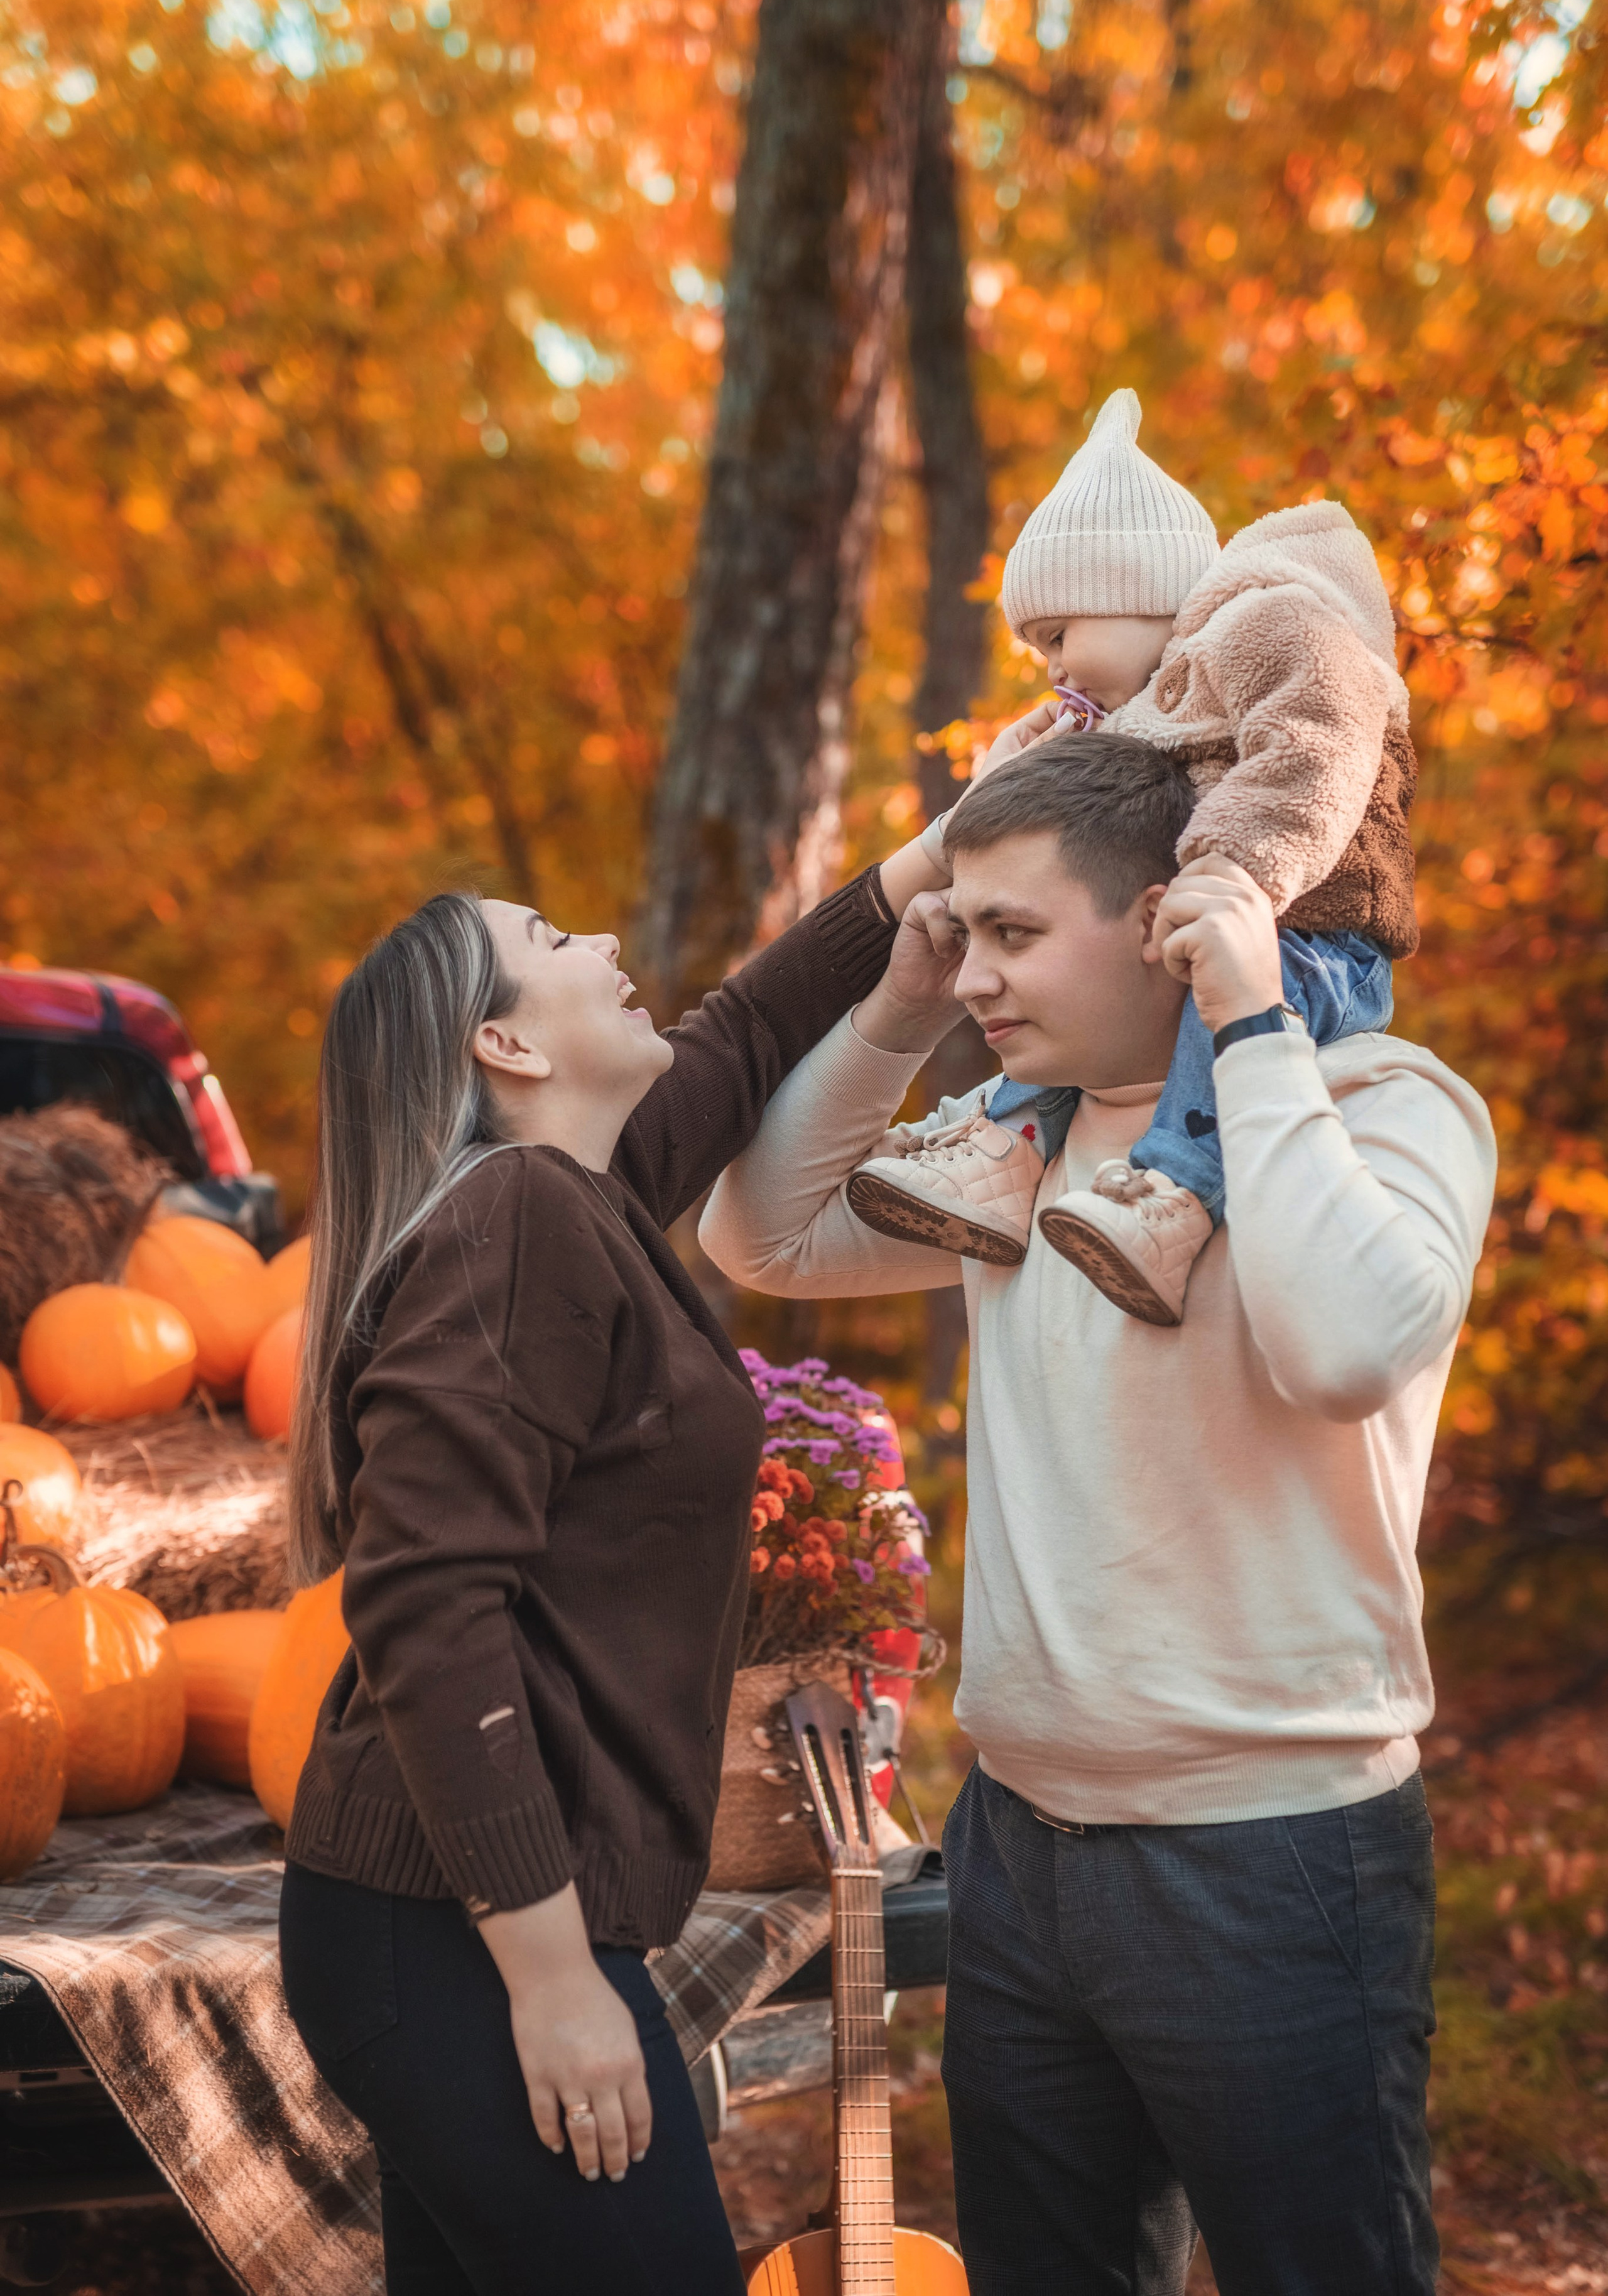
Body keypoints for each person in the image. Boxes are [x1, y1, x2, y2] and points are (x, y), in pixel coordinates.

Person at [700, 730, 1497, 2296]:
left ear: (1161, 920)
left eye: (1010, 932)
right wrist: (899, 1002)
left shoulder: (1378, 1102)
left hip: (1264, 1861)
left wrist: (1250, 1019)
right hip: (1022, 1854)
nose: (976, 970)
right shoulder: (1014, 1144)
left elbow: (1345, 1350)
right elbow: (762, 1233)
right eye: (964, 930)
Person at [274, 822, 951, 2296]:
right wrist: (548, 1975)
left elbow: (748, 1028)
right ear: (506, 1042)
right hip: (457, 1939)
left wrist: (926, 865)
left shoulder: (571, 1200)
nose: (599, 946)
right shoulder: (515, 1221)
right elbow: (426, 1600)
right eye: (552, 940)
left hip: (426, 1925)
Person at [847, 386, 1418, 1325]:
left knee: (1206, 998)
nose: (1053, 668)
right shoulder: (1157, 707)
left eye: (1058, 635)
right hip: (1226, 923)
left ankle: (1175, 1195)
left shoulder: (1273, 620)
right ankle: (1007, 1150)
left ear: (1131, 593)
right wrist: (1006, 777)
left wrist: (1235, 869)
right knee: (1072, 964)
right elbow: (1066, 849)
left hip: (1321, 935)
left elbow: (1318, 743)